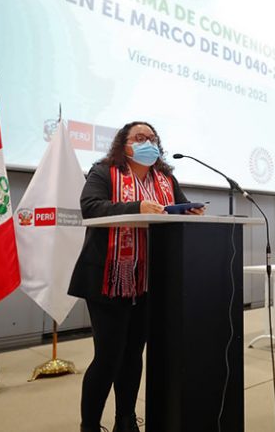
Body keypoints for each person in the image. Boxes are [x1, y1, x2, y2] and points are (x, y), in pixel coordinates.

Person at [68, 121, 205, 432]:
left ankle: (126, 421)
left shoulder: (166, 178)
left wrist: (189, 211)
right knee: (108, 357)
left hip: (148, 280)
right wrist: (137, 206)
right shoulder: (104, 172)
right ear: (124, 144)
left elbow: (177, 207)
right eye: (140, 137)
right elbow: (91, 207)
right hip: (108, 277)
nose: (148, 143)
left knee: (132, 355)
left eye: (152, 138)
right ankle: (90, 426)